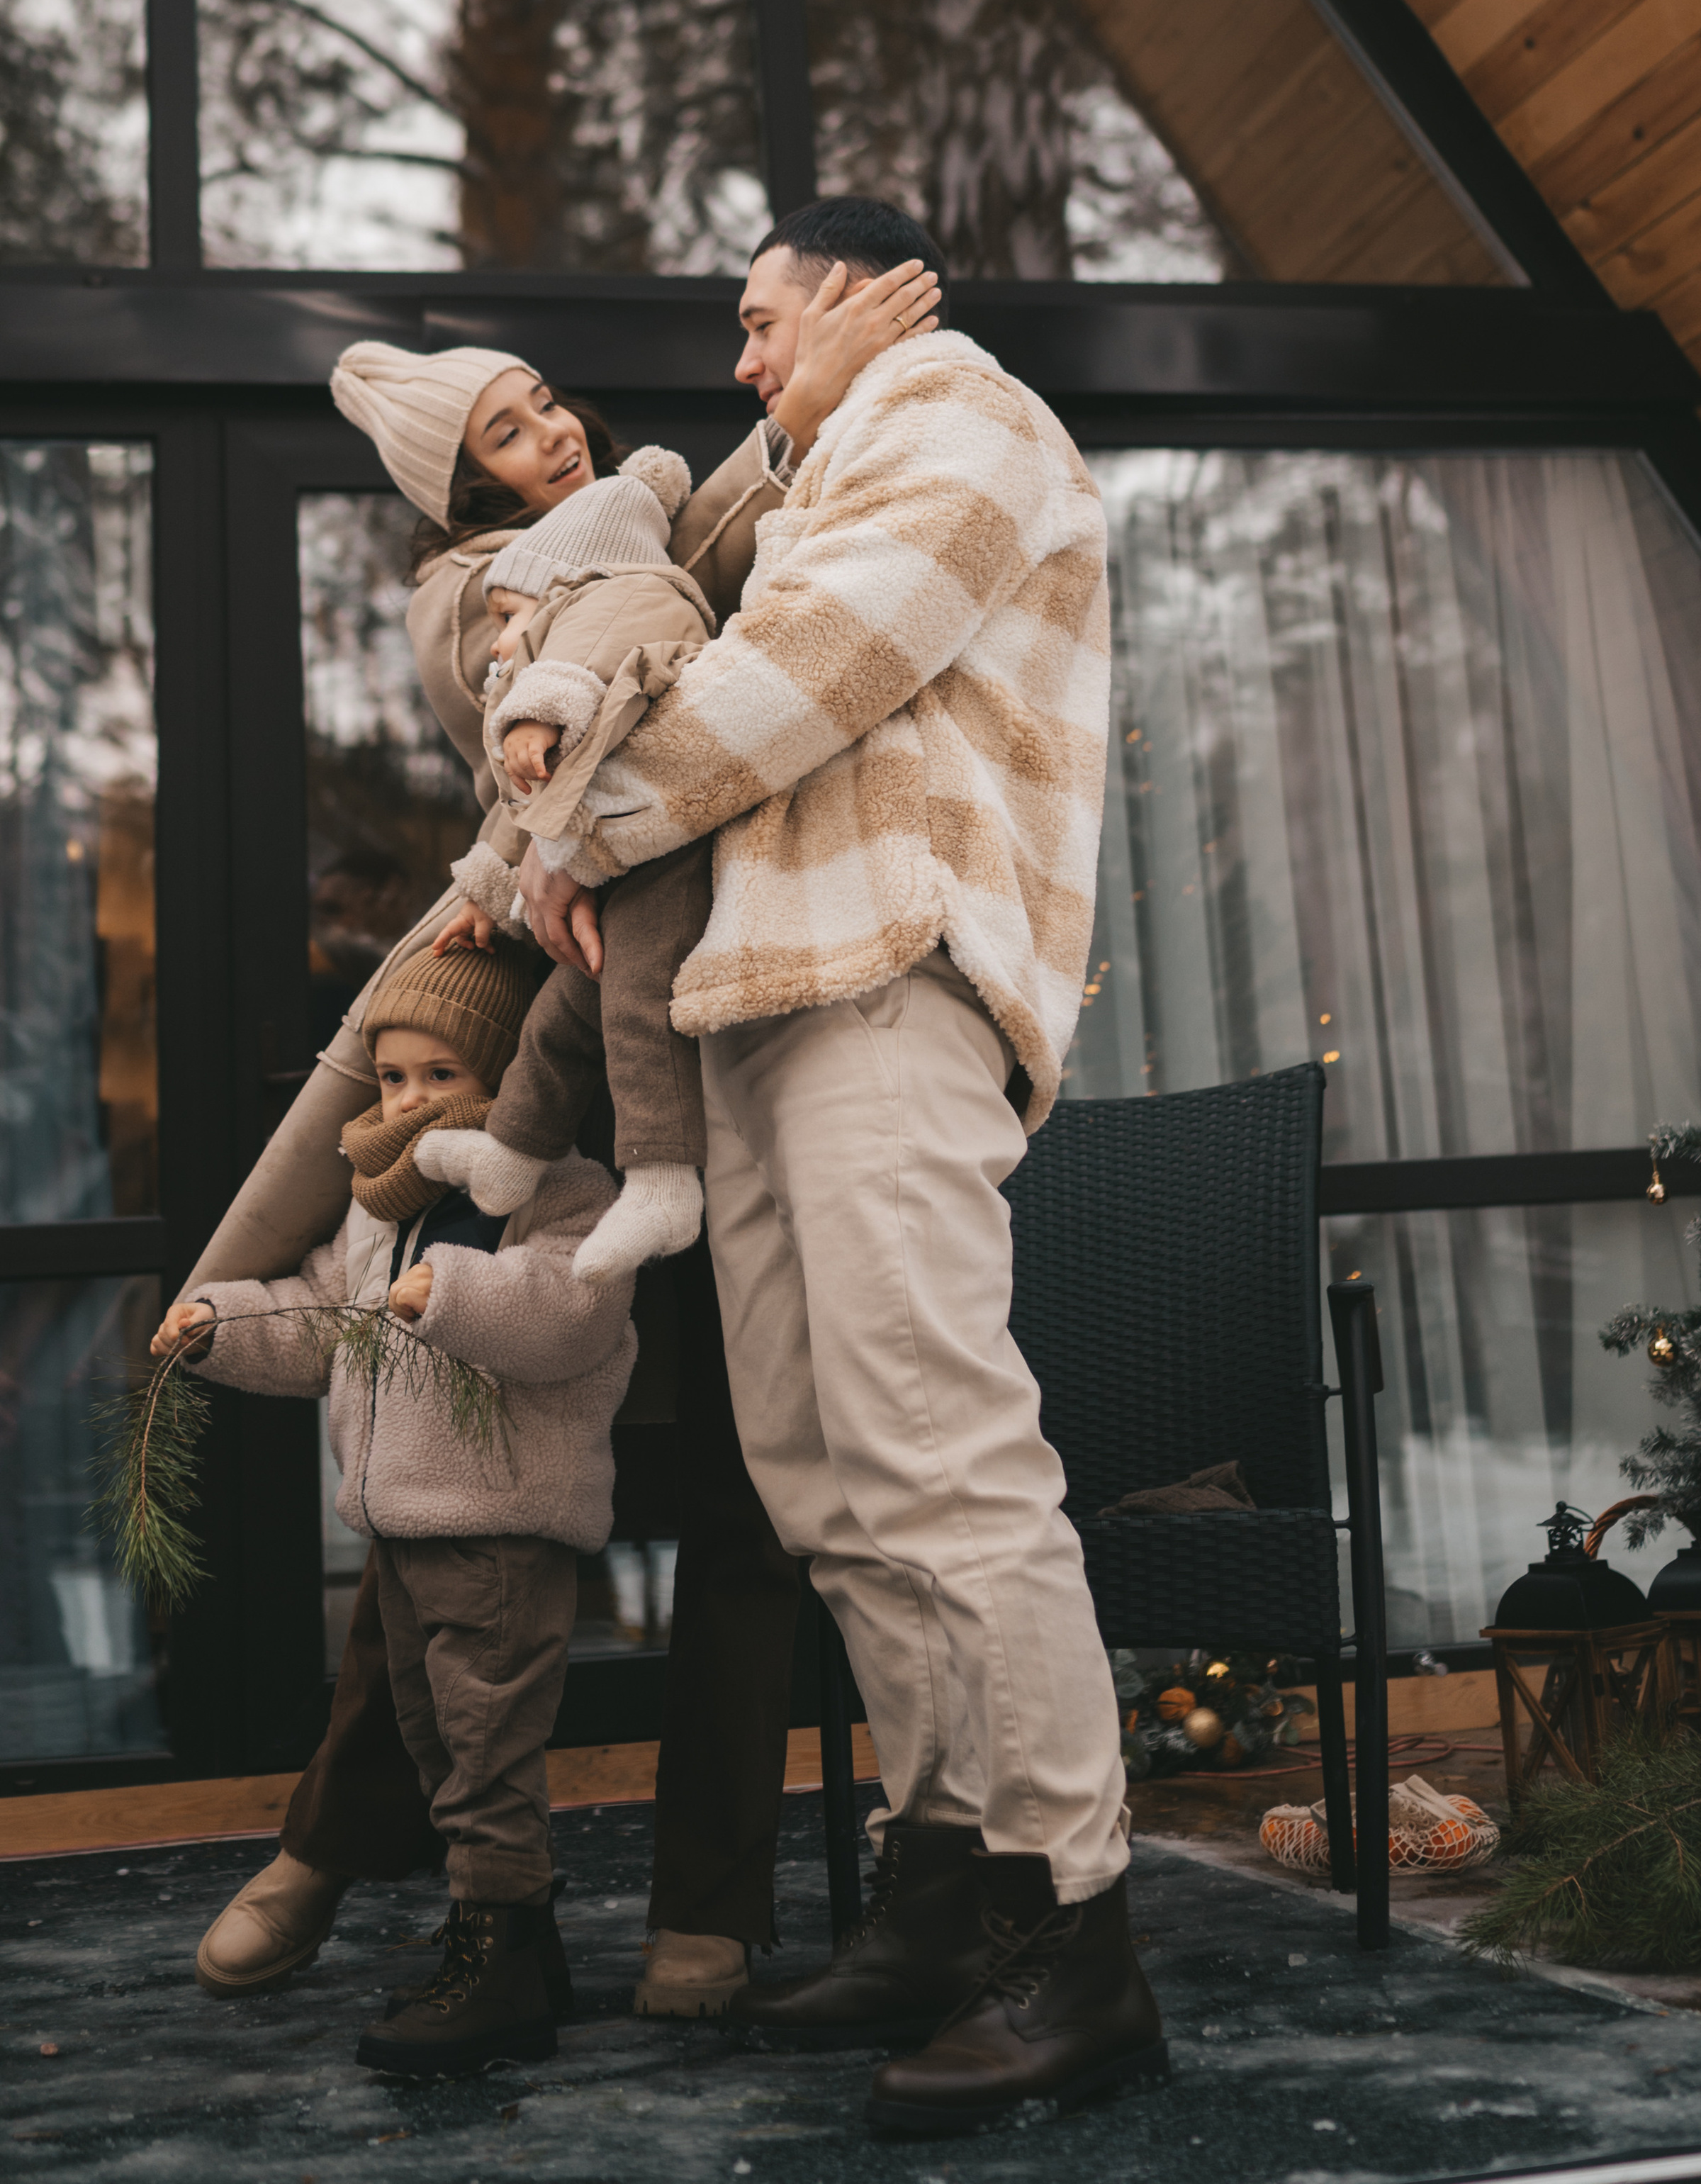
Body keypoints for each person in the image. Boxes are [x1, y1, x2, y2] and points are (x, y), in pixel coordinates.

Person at [179, 278, 937, 2020]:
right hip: (537, 1103)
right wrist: (561, 848)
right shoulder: (472, 593)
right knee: (443, 1511)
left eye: (546, 400)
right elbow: (595, 607)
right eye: (506, 426)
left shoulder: (647, 533)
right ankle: (332, 1837)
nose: (557, 429)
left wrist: (827, 387)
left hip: (709, 1064)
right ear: (457, 492)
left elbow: (714, 532)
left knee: (748, 1504)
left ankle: (712, 1906)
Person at [517, 196, 1166, 2135]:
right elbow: (677, 547)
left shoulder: (965, 421)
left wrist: (573, 829)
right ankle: (943, 1884)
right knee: (829, 1481)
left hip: (891, 979)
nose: (737, 360)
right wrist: (798, 403)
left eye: (759, 320)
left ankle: (1080, 1938)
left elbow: (809, 659)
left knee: (940, 1456)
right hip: (767, 1008)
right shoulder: (825, 453)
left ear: (868, 301)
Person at [153, 944, 633, 2078]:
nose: (411, 1102)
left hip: (500, 1526)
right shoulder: (384, 1210)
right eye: (393, 1080)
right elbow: (325, 1318)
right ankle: (521, 1936)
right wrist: (221, 1321)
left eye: (443, 1077)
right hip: (407, 1530)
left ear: (515, 1080)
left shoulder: (562, 1191)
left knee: (486, 1748)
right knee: (431, 1738)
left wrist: (455, 1292)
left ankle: (499, 1956)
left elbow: (576, 1315)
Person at [417, 441, 718, 1284]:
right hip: (620, 869)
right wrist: (485, 888)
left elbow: (593, 654)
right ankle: (512, 1151)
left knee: (635, 1010)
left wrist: (538, 711)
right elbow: (530, 811)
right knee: (559, 1024)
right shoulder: (576, 626)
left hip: (668, 866)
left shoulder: (632, 594)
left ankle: (662, 1180)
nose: (502, 641)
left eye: (512, 612)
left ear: (570, 583)